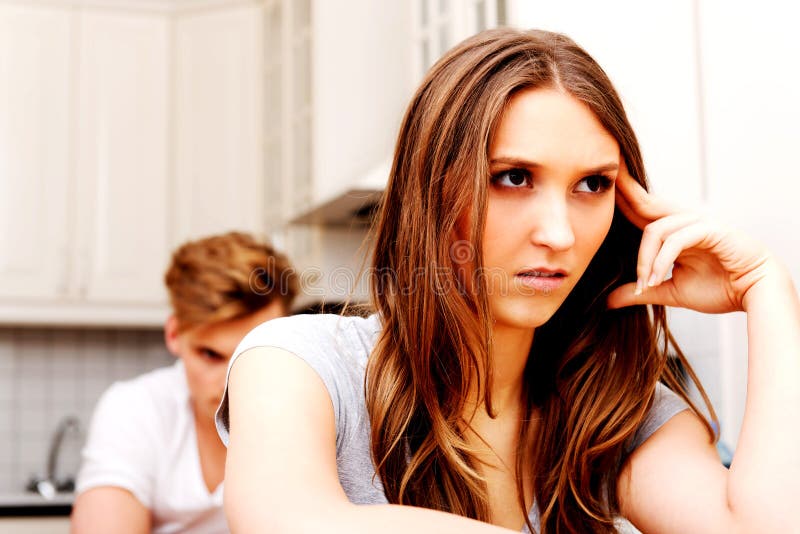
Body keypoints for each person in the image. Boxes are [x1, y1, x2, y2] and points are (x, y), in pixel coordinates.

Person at [216, 29, 800, 533]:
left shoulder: (615, 413)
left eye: (592, 185)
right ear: (431, 191)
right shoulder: (300, 365)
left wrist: (766, 289)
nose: (560, 233)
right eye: (514, 177)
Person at [71, 232, 298, 534]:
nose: (234, 384)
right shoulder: (135, 409)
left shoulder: (312, 414)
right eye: (211, 355)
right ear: (175, 335)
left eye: (253, 354)